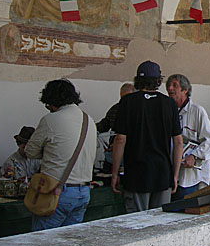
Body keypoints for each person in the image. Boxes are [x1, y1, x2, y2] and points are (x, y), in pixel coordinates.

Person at [26, 79, 97, 231]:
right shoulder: (89, 120)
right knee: (69, 241)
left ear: (52, 101)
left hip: (57, 191)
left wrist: (49, 152)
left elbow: (30, 152)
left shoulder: (51, 120)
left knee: (42, 241)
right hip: (84, 191)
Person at [112, 61, 183, 212]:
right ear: (158, 80)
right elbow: (178, 142)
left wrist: (114, 173)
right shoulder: (169, 103)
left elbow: (120, 139)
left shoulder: (128, 102)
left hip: (136, 173)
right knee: (160, 221)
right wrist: (175, 175)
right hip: (162, 173)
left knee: (138, 221)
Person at [166, 73, 210, 200]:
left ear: (185, 90)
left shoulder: (197, 111)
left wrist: (194, 155)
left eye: (175, 85)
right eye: (169, 85)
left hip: (190, 177)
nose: (170, 88)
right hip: (169, 174)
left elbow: (209, 141)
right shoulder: (166, 111)